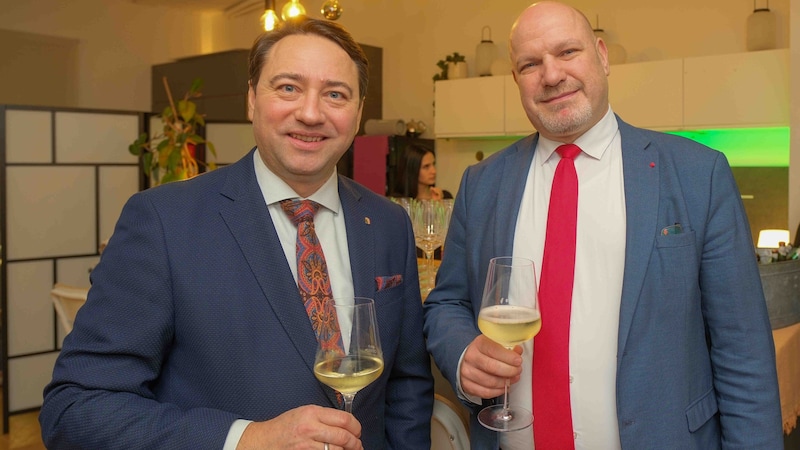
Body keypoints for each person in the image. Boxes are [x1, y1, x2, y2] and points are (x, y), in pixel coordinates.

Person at [39, 17, 433, 450]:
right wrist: (245, 439)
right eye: (287, 87)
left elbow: (407, 383)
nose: (310, 112)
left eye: (336, 94)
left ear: (358, 114)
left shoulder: (389, 223)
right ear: (251, 100)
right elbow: (76, 407)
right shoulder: (163, 222)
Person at [423, 2, 783, 449]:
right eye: (530, 64)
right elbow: (446, 303)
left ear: (602, 56)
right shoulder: (482, 184)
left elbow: (743, 353)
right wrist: (462, 355)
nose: (551, 76)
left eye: (568, 52)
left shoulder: (697, 175)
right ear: (516, 80)